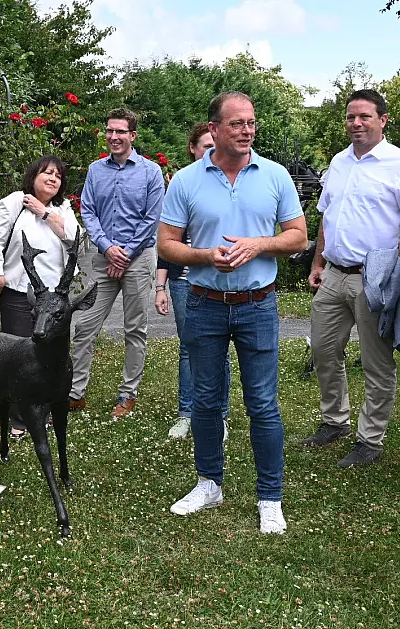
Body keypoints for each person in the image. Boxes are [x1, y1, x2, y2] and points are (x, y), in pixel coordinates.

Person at [160, 92, 308, 534]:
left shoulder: (275, 176)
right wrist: (206, 256)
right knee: (206, 401)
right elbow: (166, 244)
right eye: (237, 123)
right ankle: (209, 483)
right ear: (216, 129)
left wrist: (257, 244)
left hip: (257, 304)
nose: (247, 130)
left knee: (262, 403)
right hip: (204, 302)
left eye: (251, 123)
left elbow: (298, 237)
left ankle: (270, 497)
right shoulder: (186, 180)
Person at [305, 89, 400, 467]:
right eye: (350, 117)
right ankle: (334, 421)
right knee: (324, 351)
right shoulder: (339, 163)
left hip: (373, 279)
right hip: (334, 275)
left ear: (383, 120)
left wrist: (393, 269)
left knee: (376, 362)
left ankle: (370, 439)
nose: (356, 124)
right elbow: (327, 216)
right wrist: (317, 262)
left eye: (364, 117)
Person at [67, 108, 165, 419]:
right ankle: (75, 393)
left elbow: (152, 219)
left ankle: (128, 394)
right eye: (110, 131)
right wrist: (109, 249)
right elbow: (89, 212)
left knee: (135, 328)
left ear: (132, 136)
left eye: (120, 132)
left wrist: (126, 254)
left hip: (138, 259)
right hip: (104, 258)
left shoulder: (150, 173)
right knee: (84, 325)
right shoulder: (96, 170)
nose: (113, 137)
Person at [0, 155, 80, 438]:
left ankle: (43, 413)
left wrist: (44, 212)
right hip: (19, 291)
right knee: (19, 356)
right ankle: (18, 420)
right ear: (33, 176)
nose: (52, 178)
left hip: (54, 297)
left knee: (51, 357)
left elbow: (73, 237)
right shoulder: (14, 202)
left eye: (57, 176)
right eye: (46, 173)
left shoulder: (63, 208)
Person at [155, 123, 229, 440]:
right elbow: (166, 242)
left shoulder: (229, 183)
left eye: (215, 144)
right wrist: (160, 286)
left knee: (219, 350)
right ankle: (187, 413)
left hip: (217, 280)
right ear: (193, 148)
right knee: (189, 348)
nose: (211, 150)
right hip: (184, 281)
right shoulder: (182, 184)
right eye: (205, 145)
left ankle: (219, 416)